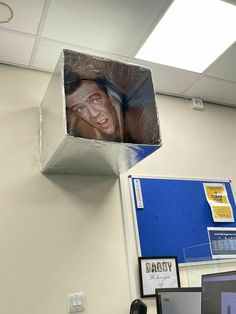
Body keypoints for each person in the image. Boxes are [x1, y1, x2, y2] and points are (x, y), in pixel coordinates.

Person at [64, 68, 125, 142]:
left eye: (95, 100)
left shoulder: (135, 113)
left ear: (110, 97)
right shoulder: (76, 129)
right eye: (80, 109)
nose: (94, 114)